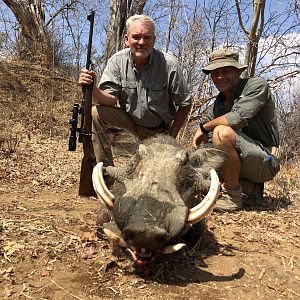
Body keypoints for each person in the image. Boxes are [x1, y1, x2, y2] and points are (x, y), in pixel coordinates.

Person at [78, 14, 192, 171]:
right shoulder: (117, 61)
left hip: (159, 133)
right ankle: (106, 173)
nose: (141, 42)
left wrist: (171, 136)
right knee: (96, 113)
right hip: (128, 127)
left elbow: (185, 103)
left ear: (154, 40)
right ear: (126, 39)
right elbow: (110, 100)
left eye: (147, 37)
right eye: (136, 37)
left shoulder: (169, 64)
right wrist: (93, 88)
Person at [192, 48, 280, 211]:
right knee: (194, 166)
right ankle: (249, 188)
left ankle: (232, 196)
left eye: (226, 71)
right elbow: (208, 142)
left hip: (265, 162)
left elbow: (236, 118)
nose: (219, 77)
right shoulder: (217, 105)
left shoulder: (257, 85)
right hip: (242, 160)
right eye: (214, 73)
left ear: (239, 71)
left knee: (221, 132)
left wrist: (203, 128)